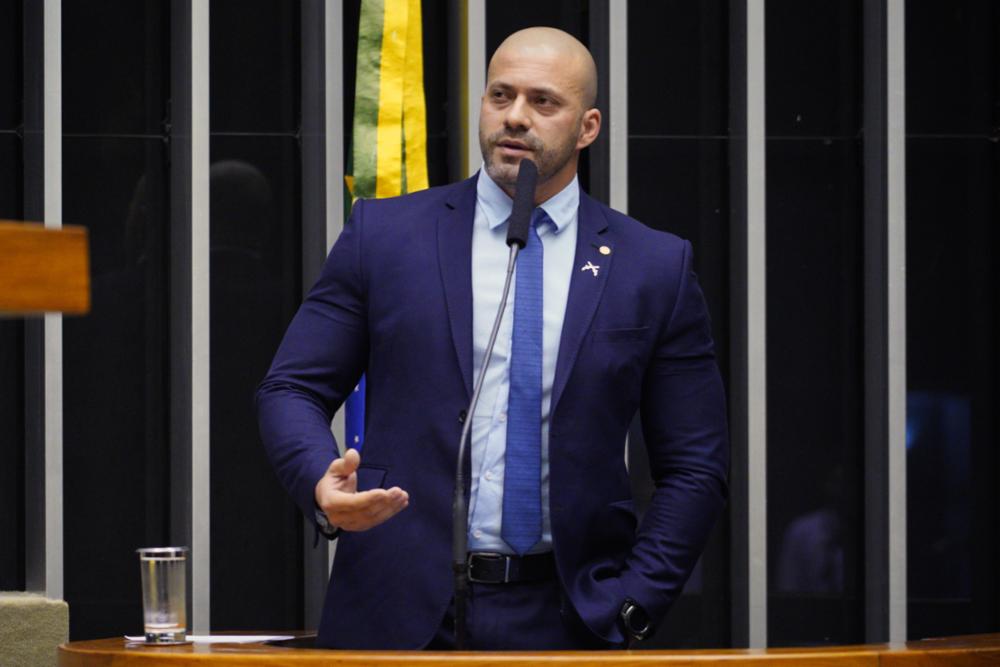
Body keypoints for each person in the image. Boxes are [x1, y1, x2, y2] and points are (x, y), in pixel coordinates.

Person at [257, 27, 728, 650]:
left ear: (587, 127)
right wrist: (321, 482)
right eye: (500, 95)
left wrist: (633, 605)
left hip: (569, 619)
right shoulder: (387, 236)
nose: (515, 117)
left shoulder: (653, 266)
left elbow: (695, 465)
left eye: (543, 102)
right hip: (394, 616)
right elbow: (291, 386)